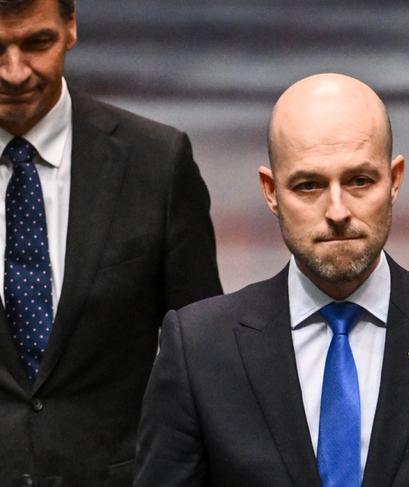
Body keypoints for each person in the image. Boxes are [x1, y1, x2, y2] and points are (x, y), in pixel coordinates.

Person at [135, 72, 409, 486]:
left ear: (395, 180)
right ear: (270, 191)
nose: (337, 211)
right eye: (309, 185)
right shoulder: (200, 348)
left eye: (359, 181)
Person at [0, 0, 222, 485]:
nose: (15, 73)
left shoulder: (157, 163)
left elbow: (210, 359)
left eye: (37, 43)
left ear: (71, 26)